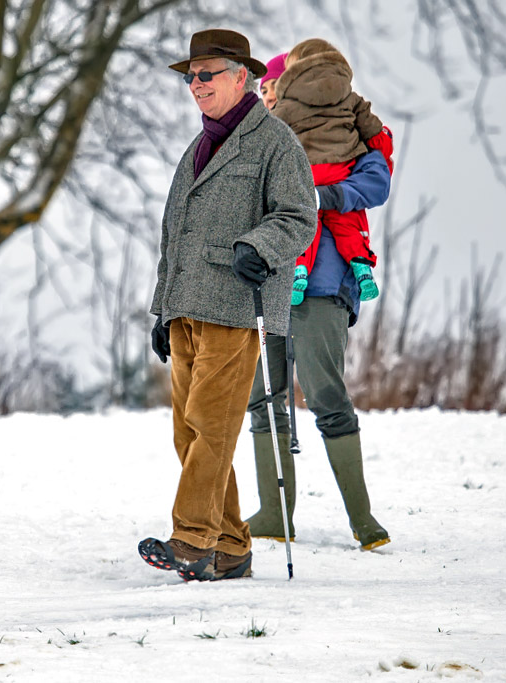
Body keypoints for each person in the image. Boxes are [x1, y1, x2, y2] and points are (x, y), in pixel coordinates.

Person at [140, 29, 317, 582]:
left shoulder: (274, 142)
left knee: (211, 429)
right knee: (188, 435)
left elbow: (298, 216)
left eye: (206, 74)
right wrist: (160, 310)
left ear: (243, 76)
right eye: (190, 76)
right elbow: (175, 233)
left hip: (237, 309)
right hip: (187, 308)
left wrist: (258, 246)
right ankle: (233, 546)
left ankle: (192, 541)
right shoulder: (196, 148)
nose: (195, 85)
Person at [244, 50, 392, 551]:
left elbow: (376, 182)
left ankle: (363, 517)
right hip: (269, 278)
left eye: (272, 86)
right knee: (263, 393)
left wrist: (323, 197)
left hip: (326, 282)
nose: (266, 94)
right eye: (264, 89)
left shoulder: (351, 136)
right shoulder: (265, 138)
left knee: (324, 391)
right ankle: (273, 512)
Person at [271, 38, 395, 305]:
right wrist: (380, 146)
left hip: (306, 173)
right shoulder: (350, 98)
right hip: (342, 169)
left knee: (304, 222)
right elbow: (376, 135)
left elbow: (269, 137)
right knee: (347, 219)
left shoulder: (288, 103)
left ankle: (299, 269)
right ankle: (361, 265)